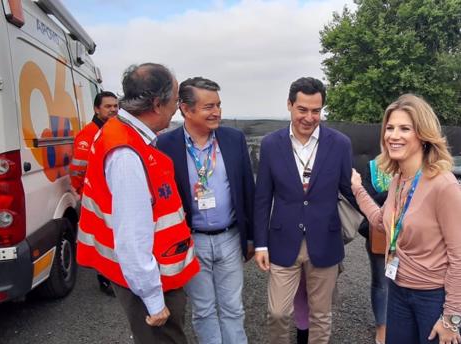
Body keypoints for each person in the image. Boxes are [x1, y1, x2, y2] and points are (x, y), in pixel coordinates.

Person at [76, 63, 200, 344]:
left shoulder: (121, 133)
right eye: (175, 99)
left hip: (147, 277)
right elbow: (132, 238)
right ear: (157, 103)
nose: (177, 107)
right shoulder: (126, 154)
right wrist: (154, 301)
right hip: (150, 284)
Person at [351, 94, 461, 344]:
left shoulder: (444, 185)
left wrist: (452, 319)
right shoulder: (399, 180)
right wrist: (358, 189)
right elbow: (381, 222)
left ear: (422, 135)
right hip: (398, 291)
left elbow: (459, 256)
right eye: (389, 128)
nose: (393, 135)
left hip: (433, 299)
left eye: (404, 128)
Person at [253, 77, 354, 344]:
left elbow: (350, 190)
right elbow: (263, 197)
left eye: (316, 111)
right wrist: (261, 244)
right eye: (303, 109)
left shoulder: (340, 143)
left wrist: (383, 213)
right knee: (277, 313)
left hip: (325, 240)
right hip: (282, 240)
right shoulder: (271, 144)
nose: (309, 117)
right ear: (289, 105)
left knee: (321, 315)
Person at [157, 77, 255, 344]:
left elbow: (248, 189)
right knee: (203, 310)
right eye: (208, 106)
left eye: (219, 105)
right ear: (186, 110)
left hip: (230, 237)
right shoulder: (165, 145)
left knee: (233, 308)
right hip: (192, 240)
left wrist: (251, 237)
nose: (217, 112)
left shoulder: (233, 139)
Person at [69, 91, 119, 296]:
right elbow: (78, 169)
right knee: (103, 239)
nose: (113, 110)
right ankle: (105, 279)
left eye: (116, 106)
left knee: (115, 237)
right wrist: (84, 192)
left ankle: (116, 274)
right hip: (97, 195)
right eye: (108, 106)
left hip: (112, 194)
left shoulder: (115, 129)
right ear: (97, 109)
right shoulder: (88, 134)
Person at [358, 158, 392, 344]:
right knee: (381, 282)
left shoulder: (423, 166)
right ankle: (382, 326)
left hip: (414, 236)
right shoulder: (374, 167)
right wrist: (396, 190)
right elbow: (367, 200)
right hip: (381, 234)